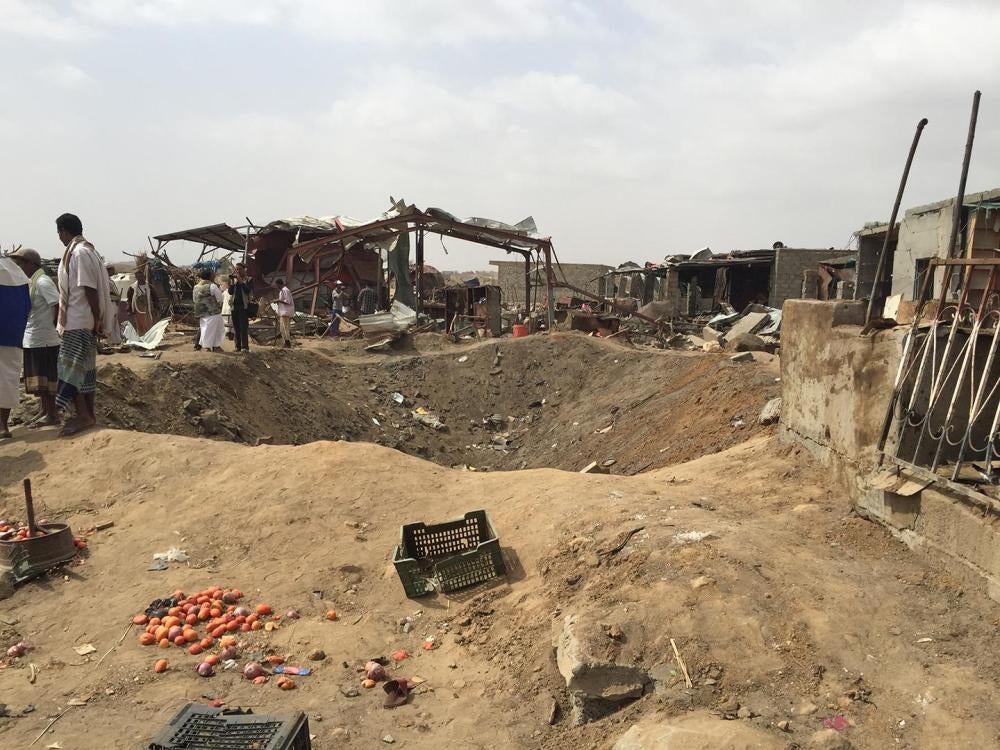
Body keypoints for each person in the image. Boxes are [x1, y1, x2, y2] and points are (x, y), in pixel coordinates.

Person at [55, 213, 115, 437]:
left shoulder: (79, 253)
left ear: (64, 231)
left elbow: (88, 287)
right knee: (86, 369)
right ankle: (88, 414)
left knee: (70, 370)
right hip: (82, 319)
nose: (59, 238)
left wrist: (97, 319)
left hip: (79, 320)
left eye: (59, 233)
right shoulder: (86, 251)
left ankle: (83, 414)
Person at [9, 248, 60, 426]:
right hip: (34, 338)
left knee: (46, 379)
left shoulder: (43, 282)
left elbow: (56, 305)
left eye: (21, 263)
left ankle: (52, 414)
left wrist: (52, 327)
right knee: (38, 380)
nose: (19, 267)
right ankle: (44, 410)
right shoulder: (33, 282)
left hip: (43, 338)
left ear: (31, 264)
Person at [0, 255, 31, 439]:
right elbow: (26, 306)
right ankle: (3, 426)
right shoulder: (16, 272)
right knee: (8, 380)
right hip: (12, 335)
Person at [192, 268, 225, 352]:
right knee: (216, 330)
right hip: (212, 312)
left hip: (200, 313)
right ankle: (214, 346)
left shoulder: (196, 287)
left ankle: (208, 347)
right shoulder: (212, 286)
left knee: (205, 329)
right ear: (210, 276)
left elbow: (194, 299)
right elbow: (220, 298)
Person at [228, 262, 254, 353]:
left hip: (244, 306)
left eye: (240, 269)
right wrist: (232, 282)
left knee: (243, 327)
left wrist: (241, 281)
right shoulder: (234, 281)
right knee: (236, 327)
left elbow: (248, 291)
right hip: (234, 306)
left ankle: (245, 347)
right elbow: (230, 292)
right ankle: (237, 346)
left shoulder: (249, 279)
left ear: (244, 269)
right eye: (237, 269)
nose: (238, 271)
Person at [126, 267, 159, 335]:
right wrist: (130, 309)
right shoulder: (132, 287)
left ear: (143, 276)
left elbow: (155, 298)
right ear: (136, 277)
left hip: (148, 308)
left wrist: (156, 307)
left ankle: (149, 339)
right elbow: (129, 299)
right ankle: (141, 339)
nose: (140, 278)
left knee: (148, 324)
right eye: (138, 276)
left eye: (141, 276)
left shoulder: (149, 287)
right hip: (138, 310)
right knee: (139, 325)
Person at [274, 278, 294, 348]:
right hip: (282, 312)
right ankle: (285, 342)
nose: (277, 287)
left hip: (286, 312)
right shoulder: (281, 291)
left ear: (279, 284)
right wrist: (278, 301)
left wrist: (278, 300)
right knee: (282, 329)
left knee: (285, 328)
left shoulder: (285, 290)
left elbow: (288, 301)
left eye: (277, 285)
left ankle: (287, 343)